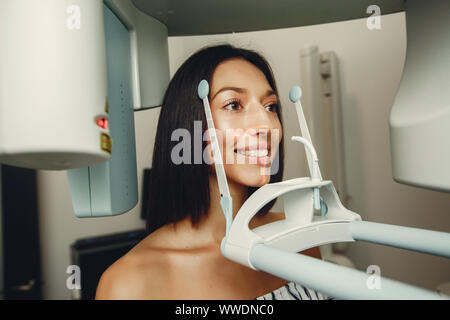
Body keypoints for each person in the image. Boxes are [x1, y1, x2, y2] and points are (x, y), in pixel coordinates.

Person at [95, 43, 329, 300]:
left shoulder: (300, 238)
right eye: (233, 105)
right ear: (189, 124)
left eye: (270, 106)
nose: (265, 123)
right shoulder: (129, 283)